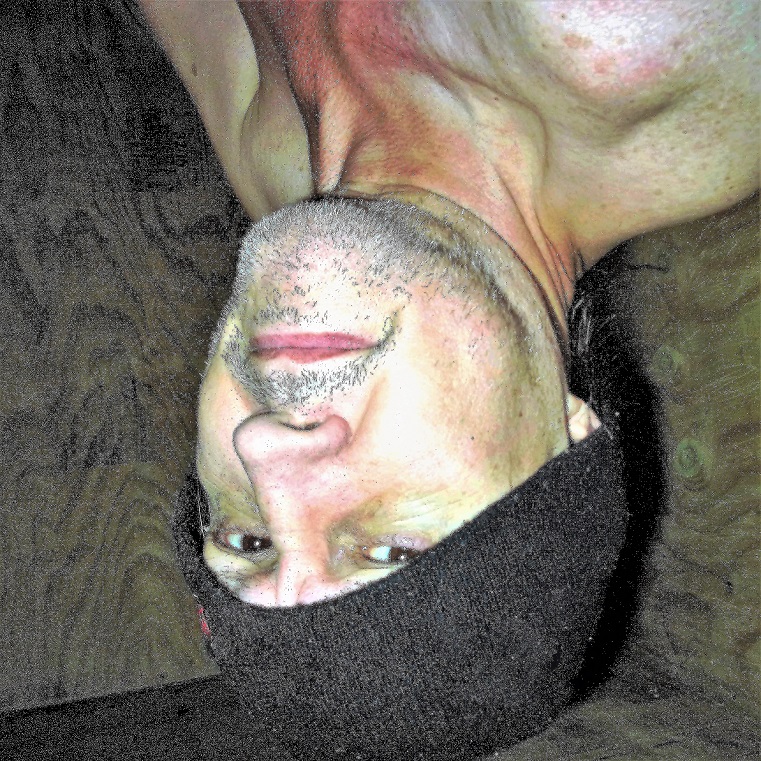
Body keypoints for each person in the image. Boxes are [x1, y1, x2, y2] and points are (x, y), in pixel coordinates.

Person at [136, 3, 757, 759]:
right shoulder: (640, 46)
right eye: (391, 550)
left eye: (247, 537)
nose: (265, 451)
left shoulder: (277, 168)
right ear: (566, 437)